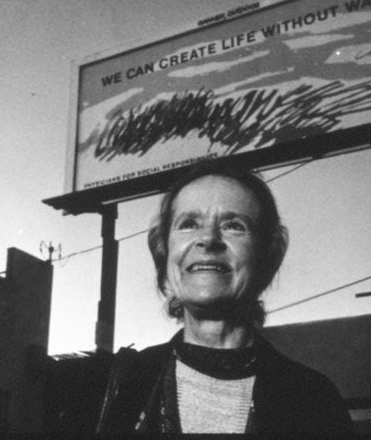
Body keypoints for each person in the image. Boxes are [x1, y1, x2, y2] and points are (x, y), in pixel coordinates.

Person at [45, 161, 353, 435]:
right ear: (164, 253)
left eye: (234, 225)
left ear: (266, 256)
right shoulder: (106, 390)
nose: (208, 239)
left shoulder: (313, 399)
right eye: (188, 224)